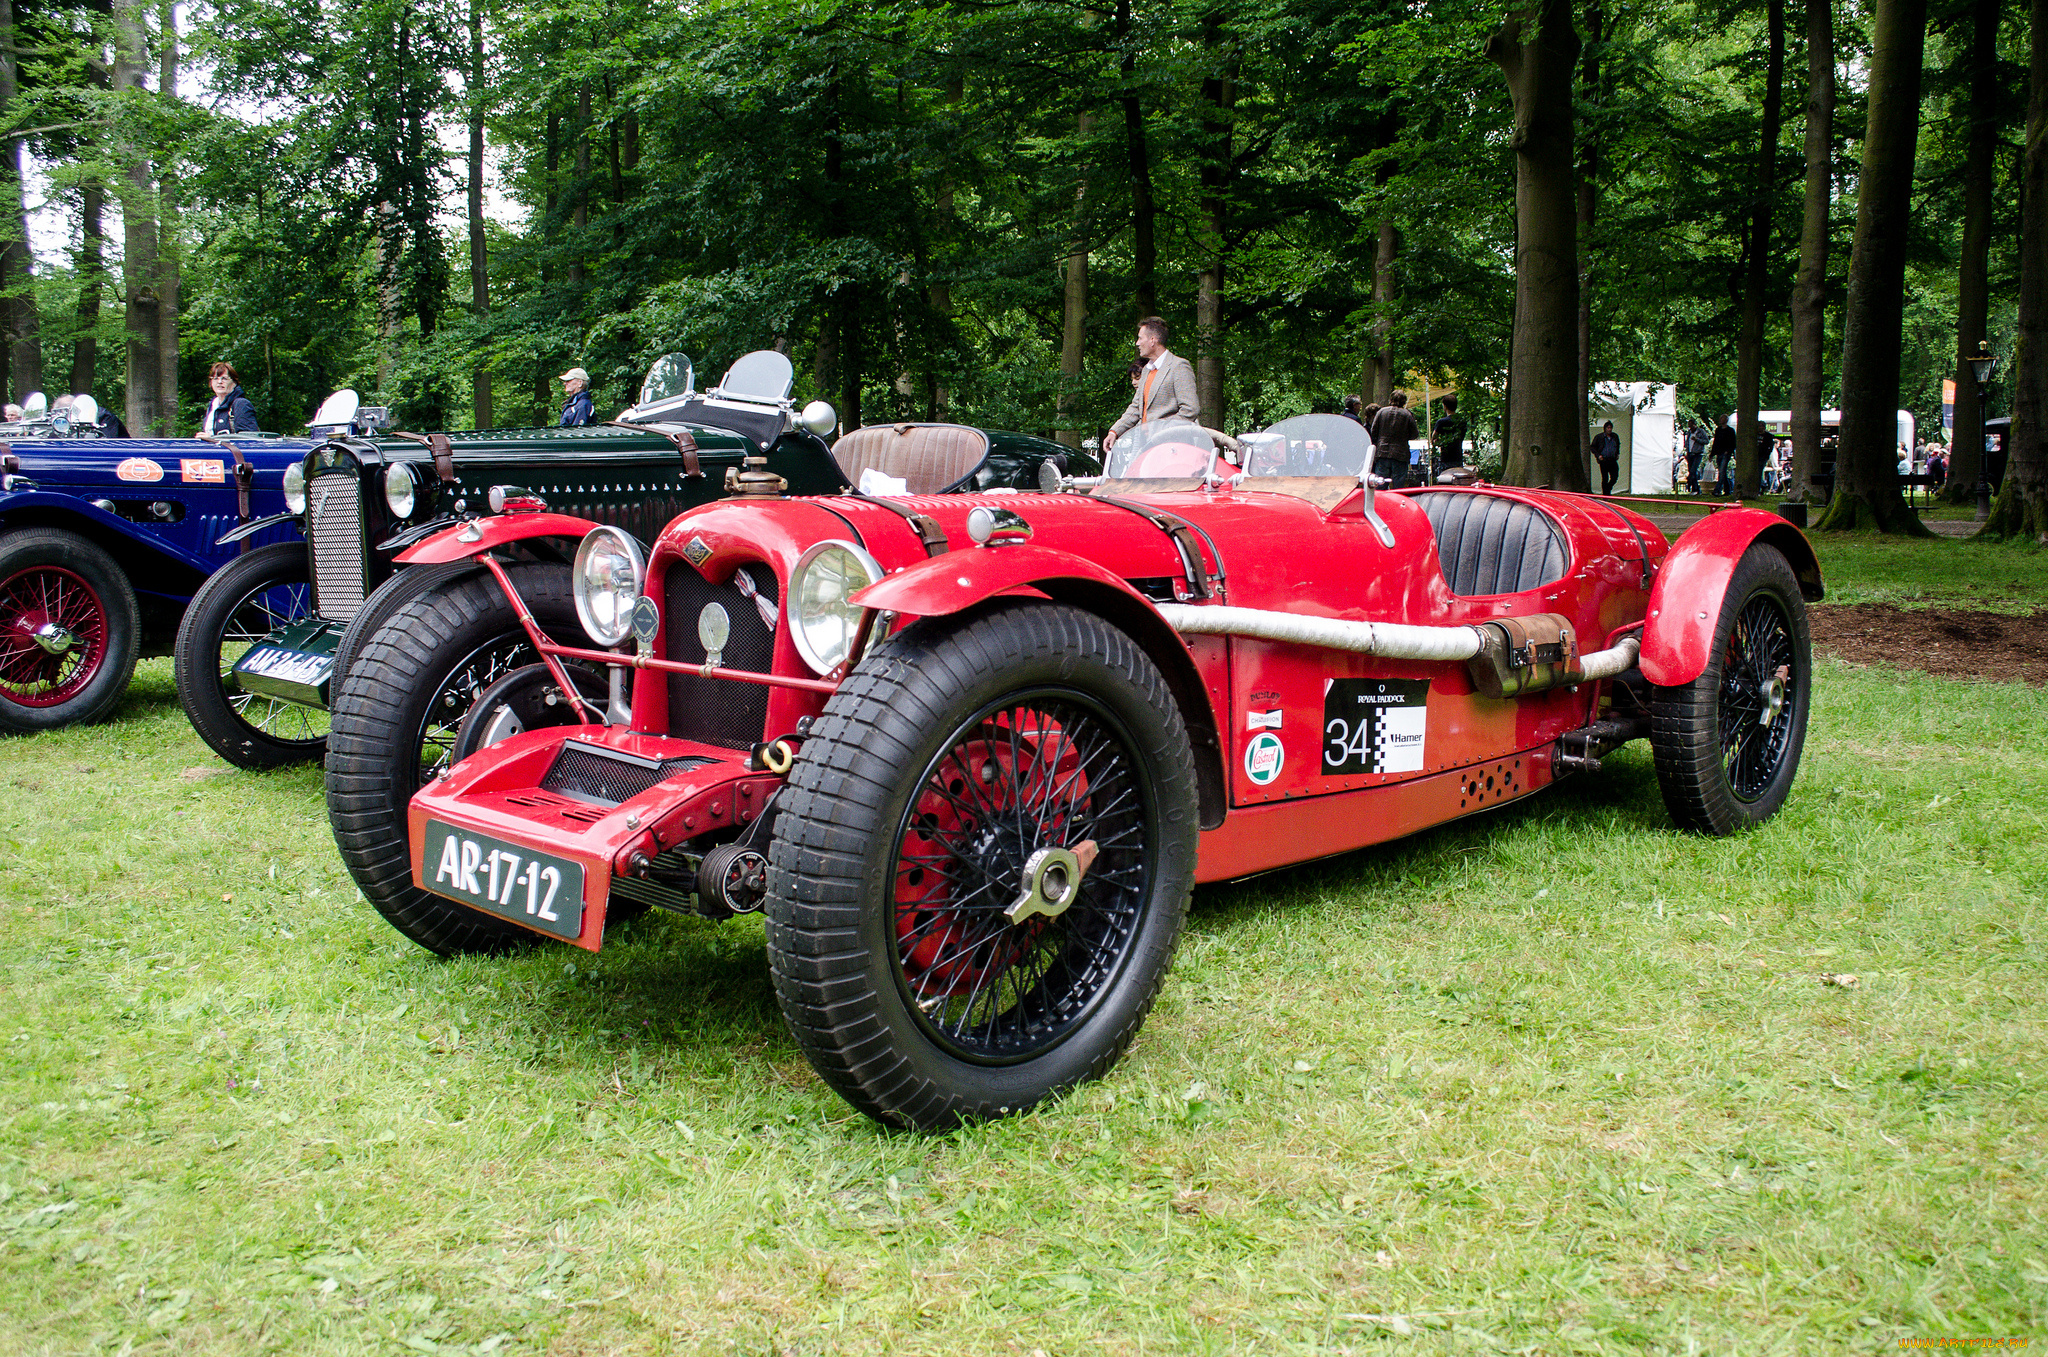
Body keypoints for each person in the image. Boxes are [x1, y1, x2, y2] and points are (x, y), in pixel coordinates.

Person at [1103, 316, 1198, 454]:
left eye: (1140, 338)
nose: (1137, 343)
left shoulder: (1179, 366)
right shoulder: (1147, 370)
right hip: (1146, 449)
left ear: (1152, 340)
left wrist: (1161, 431)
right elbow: (1136, 408)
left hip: (1174, 450)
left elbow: (1190, 409)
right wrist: (1114, 431)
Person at [1369, 391, 1419, 487]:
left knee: (1380, 484)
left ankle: (1380, 502)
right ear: (1403, 401)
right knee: (1398, 486)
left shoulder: (1381, 412)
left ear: (1391, 399)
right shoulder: (1407, 414)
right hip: (1400, 454)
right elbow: (1414, 434)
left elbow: (1373, 431)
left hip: (1382, 453)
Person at [198, 362, 259, 438]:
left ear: (234, 383)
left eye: (224, 378)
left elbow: (249, 440)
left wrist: (211, 439)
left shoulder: (241, 404)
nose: (219, 382)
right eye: (215, 378)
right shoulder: (213, 406)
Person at [1430, 393, 1467, 470]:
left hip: (1446, 458)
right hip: (1458, 457)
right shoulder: (1462, 421)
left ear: (1445, 406)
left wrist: (1438, 442)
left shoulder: (1441, 422)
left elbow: (1433, 439)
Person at [1590, 419, 1621, 495]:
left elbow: (1617, 445)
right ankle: (1605, 494)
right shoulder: (1599, 437)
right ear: (1605, 429)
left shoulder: (1615, 436)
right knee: (1605, 478)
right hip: (1604, 460)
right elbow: (1593, 447)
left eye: (1610, 428)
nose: (1609, 429)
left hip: (1612, 460)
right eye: (1608, 428)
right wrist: (1598, 455)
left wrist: (1617, 453)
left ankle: (1608, 488)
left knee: (1614, 476)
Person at [1709, 415, 1736, 496]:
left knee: (1722, 471)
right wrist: (1712, 453)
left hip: (1726, 454)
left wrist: (1728, 451)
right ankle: (1728, 490)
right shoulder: (1718, 430)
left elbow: (1733, 443)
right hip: (1719, 453)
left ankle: (1717, 490)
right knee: (1722, 472)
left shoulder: (1730, 431)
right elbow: (1716, 442)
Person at [1685, 421, 1709, 495]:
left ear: (1695, 425)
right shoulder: (1689, 432)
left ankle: (1695, 489)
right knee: (1691, 471)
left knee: (1693, 470)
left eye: (1691, 426)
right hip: (1690, 453)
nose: (1690, 428)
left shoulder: (1701, 431)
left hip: (1698, 453)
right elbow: (1687, 442)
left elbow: (1706, 441)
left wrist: (1697, 439)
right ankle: (1695, 489)